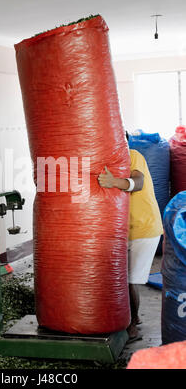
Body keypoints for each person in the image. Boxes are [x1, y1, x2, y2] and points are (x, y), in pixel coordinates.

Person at [98, 133, 163, 342]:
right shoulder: (109, 162)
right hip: (126, 230)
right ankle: (130, 319)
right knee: (121, 277)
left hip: (144, 228)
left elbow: (139, 181)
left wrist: (113, 181)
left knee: (128, 280)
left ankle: (132, 325)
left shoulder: (133, 155)